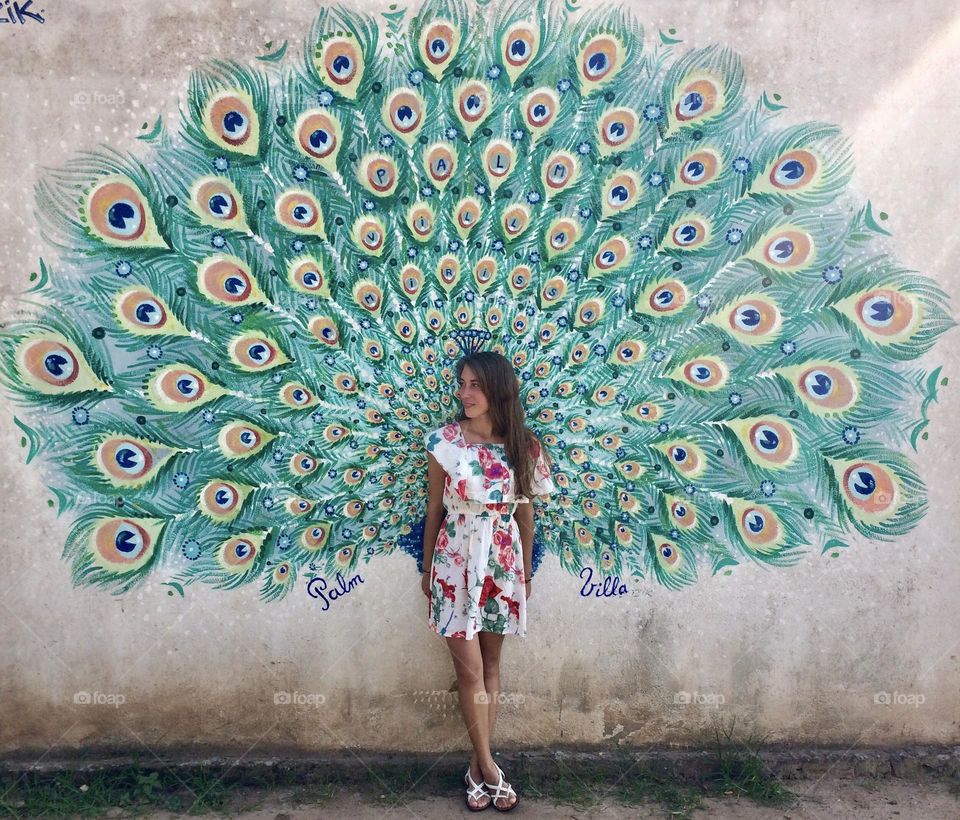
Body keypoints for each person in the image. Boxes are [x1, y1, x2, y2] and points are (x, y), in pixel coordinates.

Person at [421, 350, 556, 811]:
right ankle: (489, 766)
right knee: (470, 670)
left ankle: (476, 772)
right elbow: (435, 509)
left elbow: (525, 512)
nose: (464, 392)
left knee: (493, 668)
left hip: (501, 562)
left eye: (474, 384)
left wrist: (525, 573)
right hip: (455, 560)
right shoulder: (444, 442)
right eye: (462, 383)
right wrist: (426, 569)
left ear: (498, 388)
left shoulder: (524, 445)